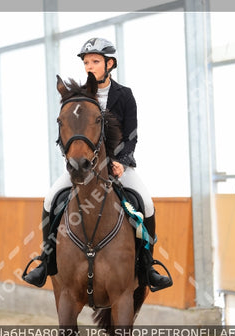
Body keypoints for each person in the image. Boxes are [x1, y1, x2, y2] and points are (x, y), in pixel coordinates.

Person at [23, 37, 172, 292]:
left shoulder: (124, 95)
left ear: (109, 63)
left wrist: (121, 163)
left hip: (118, 166)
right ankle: (46, 262)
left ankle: (148, 267)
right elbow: (66, 133)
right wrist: (73, 160)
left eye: (95, 61)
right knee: (50, 200)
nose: (89, 66)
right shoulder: (77, 96)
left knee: (146, 203)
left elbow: (132, 135)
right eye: (86, 62)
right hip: (81, 167)